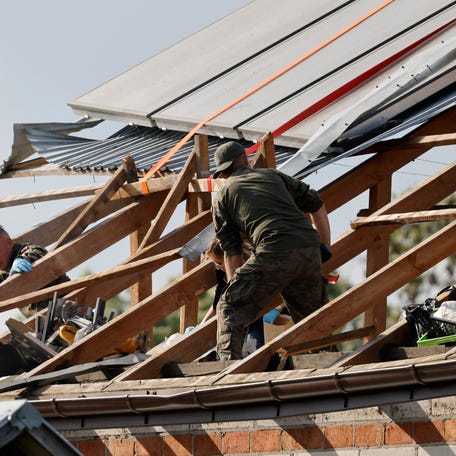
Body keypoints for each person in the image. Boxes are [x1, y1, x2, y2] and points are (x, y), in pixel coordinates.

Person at [211, 141, 331, 360]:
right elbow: (317, 204)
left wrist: (236, 287)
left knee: (229, 307)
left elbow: (231, 251)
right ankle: (328, 362)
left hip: (273, 250)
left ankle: (228, 370)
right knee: (313, 318)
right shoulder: (274, 176)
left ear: (222, 173)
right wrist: (324, 247)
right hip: (308, 248)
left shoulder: (224, 195)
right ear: (245, 160)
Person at [0, 226, 69, 317]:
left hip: (69, 308)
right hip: (44, 325)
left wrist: (24, 259)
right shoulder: (3, 273)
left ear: (9, 243)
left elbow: (36, 253)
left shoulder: (27, 251)